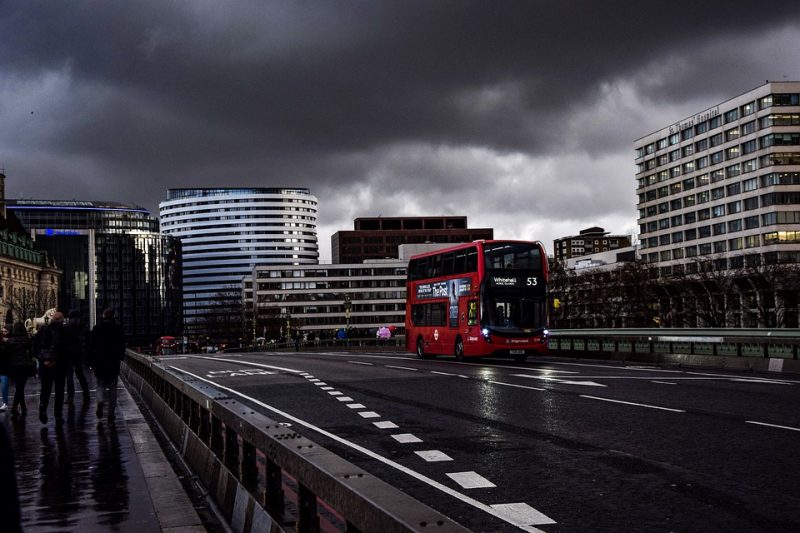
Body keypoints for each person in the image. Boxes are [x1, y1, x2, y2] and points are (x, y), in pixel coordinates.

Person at [88, 308, 126, 422]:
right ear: (113, 316)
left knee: (100, 384)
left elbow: (91, 346)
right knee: (113, 387)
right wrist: (120, 357)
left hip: (99, 361)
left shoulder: (96, 328)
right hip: (113, 362)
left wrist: (90, 360)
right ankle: (111, 413)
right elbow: (122, 345)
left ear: (103, 316)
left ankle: (100, 402)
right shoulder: (118, 328)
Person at [34, 311, 68, 424]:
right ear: (61, 320)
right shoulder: (64, 331)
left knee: (45, 389)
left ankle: (43, 408)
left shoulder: (43, 330)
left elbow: (35, 347)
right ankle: (58, 415)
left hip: (45, 366)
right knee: (59, 390)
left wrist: (42, 360)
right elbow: (66, 350)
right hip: (59, 366)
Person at [4, 322, 36, 416]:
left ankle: (22, 406)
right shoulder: (27, 340)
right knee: (20, 387)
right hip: (25, 366)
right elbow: (32, 354)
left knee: (19, 387)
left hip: (14, 366)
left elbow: (6, 355)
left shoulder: (10, 341)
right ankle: (16, 407)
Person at [63, 309, 90, 404]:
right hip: (78, 354)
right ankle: (86, 395)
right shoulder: (83, 328)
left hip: (68, 355)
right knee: (80, 375)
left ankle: (70, 397)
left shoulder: (65, 328)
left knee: (69, 376)